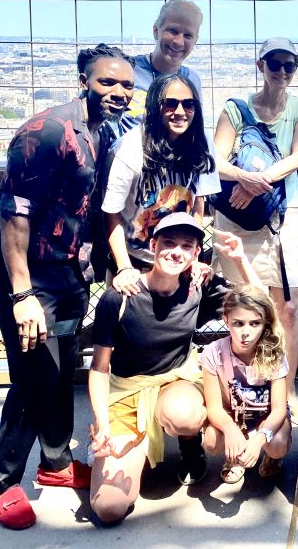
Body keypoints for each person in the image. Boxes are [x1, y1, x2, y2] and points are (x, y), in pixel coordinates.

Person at [0, 45, 135, 530]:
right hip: (24, 273)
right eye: (108, 82)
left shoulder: (104, 132)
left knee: (63, 364)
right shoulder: (45, 131)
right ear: (85, 79)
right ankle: (4, 481)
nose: (119, 92)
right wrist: (22, 295)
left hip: (67, 273)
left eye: (127, 85)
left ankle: (56, 463)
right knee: (32, 374)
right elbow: (13, 212)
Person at [87, 214, 256, 523]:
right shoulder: (120, 296)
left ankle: (190, 447)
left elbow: (257, 304)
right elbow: (99, 368)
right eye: (168, 243)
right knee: (109, 508)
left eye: (186, 246)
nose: (176, 252)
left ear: (195, 255)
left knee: (183, 415)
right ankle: (132, 449)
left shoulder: (197, 288)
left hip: (176, 381)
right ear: (153, 246)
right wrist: (103, 425)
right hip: (128, 390)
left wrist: (240, 261)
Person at [213, 36, 298, 399]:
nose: (283, 71)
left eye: (290, 65)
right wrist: (248, 179)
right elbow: (216, 162)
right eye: (275, 64)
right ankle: (246, 387)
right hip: (240, 215)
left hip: (282, 213)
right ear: (261, 66)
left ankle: (282, 393)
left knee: (286, 308)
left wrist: (257, 182)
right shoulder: (236, 109)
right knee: (245, 306)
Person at [103, 72, 219, 292]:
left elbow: (197, 203)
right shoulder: (129, 149)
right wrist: (124, 267)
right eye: (170, 104)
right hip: (135, 260)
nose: (180, 112)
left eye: (188, 104)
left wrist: (193, 256)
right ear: (155, 107)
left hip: (178, 260)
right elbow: (112, 213)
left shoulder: (201, 144)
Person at [202, 285, 293, 484]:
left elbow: (278, 410)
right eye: (238, 323)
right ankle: (234, 455)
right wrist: (230, 429)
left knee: (277, 444)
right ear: (225, 319)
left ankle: (269, 455)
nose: (246, 332)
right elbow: (214, 407)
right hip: (234, 415)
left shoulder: (274, 353)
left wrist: (259, 439)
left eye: (254, 323)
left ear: (265, 323)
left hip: (266, 417)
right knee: (211, 440)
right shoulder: (213, 352)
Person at [128, 0, 204, 119]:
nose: (179, 42)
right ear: (156, 31)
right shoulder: (129, 71)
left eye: (188, 35)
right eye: (173, 31)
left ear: (195, 40)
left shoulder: (192, 80)